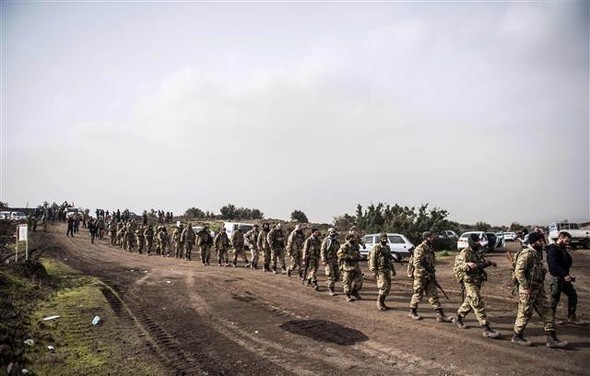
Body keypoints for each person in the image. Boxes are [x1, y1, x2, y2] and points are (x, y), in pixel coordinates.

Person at [511, 232, 567, 348]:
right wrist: (526, 287)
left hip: (538, 289)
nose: (543, 243)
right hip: (527, 290)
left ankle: (551, 338)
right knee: (525, 313)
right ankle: (517, 336)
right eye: (540, 241)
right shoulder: (527, 254)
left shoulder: (537, 253)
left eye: (543, 241)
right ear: (533, 242)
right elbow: (519, 272)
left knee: (547, 311)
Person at [451, 233, 500, 338]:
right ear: (472, 242)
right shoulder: (465, 253)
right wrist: (467, 265)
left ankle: (457, 318)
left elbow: (481, 263)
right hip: (469, 282)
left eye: (479, 241)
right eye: (477, 241)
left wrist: (490, 263)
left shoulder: (477, 252)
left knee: (469, 302)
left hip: (477, 281)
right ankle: (486, 328)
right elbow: (458, 266)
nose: (479, 243)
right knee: (477, 301)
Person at [408, 232, 452, 322]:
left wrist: (431, 273)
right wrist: (425, 272)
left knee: (433, 295)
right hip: (420, 276)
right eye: (430, 237)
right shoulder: (420, 248)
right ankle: (412, 312)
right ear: (425, 238)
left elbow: (430, 263)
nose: (432, 239)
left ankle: (440, 315)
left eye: (432, 237)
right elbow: (417, 264)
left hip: (430, 276)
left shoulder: (429, 248)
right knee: (418, 294)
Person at [546, 231, 578, 324]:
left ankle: (571, 317)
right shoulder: (553, 250)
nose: (568, 243)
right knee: (554, 298)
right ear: (560, 238)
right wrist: (564, 275)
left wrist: (566, 275)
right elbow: (554, 265)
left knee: (573, 295)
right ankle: (550, 319)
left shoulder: (561, 248)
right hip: (557, 278)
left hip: (564, 278)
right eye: (566, 241)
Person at [368, 233, 395, 311]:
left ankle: (383, 302)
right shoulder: (376, 248)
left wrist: (393, 270)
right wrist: (373, 270)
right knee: (383, 286)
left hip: (387, 269)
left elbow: (389, 259)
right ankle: (379, 302)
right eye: (383, 238)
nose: (384, 239)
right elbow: (373, 258)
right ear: (380, 239)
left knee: (388, 287)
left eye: (385, 238)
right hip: (380, 270)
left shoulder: (387, 247)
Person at [338, 233, 363, 302]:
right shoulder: (344, 246)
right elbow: (339, 254)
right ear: (349, 238)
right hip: (347, 267)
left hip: (356, 266)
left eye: (354, 237)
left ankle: (354, 292)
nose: (354, 239)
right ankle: (347, 295)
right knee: (347, 282)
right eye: (352, 238)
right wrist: (349, 257)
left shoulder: (356, 245)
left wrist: (359, 257)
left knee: (359, 281)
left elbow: (357, 253)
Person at [321, 228, 341, 296]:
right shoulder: (326, 240)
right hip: (329, 260)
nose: (333, 233)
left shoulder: (336, 241)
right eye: (332, 232)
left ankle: (330, 283)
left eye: (334, 232)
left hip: (335, 259)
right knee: (331, 275)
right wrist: (323, 259)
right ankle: (331, 289)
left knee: (337, 275)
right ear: (329, 232)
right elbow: (323, 250)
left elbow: (339, 250)